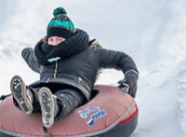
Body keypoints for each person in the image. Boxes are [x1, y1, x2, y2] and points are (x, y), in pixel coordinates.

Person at [9, 7, 139, 129]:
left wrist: (131, 75)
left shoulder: (89, 53)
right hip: (45, 86)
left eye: (59, 39)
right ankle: (28, 97)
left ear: (69, 38)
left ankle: (53, 107)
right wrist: (26, 52)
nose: (54, 43)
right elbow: (32, 60)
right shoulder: (44, 57)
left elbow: (121, 58)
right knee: (38, 91)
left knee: (68, 97)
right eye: (51, 39)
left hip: (74, 86)